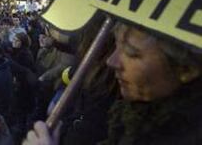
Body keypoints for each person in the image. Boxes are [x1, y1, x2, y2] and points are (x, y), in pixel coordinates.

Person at [24, 21, 202, 145]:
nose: (112, 61)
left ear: (186, 69)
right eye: (116, 46)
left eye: (131, 53)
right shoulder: (128, 115)